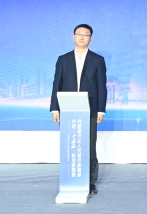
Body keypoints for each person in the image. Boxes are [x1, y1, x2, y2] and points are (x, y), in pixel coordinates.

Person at [50, 24, 107, 195]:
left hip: (90, 109)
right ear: (73, 36)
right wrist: (55, 108)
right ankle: (71, 178)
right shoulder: (63, 59)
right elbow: (56, 84)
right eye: (79, 34)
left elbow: (102, 87)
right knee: (71, 145)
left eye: (86, 34)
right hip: (68, 110)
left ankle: (90, 182)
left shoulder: (98, 60)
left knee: (89, 146)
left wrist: (101, 110)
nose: (82, 37)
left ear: (91, 38)